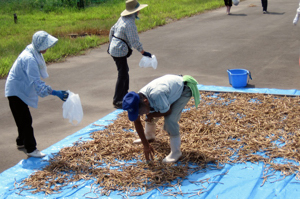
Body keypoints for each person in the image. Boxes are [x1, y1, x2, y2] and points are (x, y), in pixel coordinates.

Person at [5, 31, 69, 158]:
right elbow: (38, 85)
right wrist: (55, 93)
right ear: (40, 45)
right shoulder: (30, 59)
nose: (47, 48)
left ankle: (21, 141)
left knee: (21, 118)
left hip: (18, 88)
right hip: (16, 90)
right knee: (25, 120)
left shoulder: (34, 51)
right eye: (46, 45)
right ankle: (31, 148)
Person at [122, 74, 200, 163]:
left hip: (184, 89)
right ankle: (149, 136)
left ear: (146, 101)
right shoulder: (137, 99)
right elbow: (137, 122)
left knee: (170, 120)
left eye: (139, 112)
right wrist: (145, 144)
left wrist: (150, 115)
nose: (140, 114)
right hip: (168, 91)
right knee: (149, 111)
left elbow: (167, 112)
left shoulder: (156, 94)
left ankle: (176, 152)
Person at [108, 0, 152, 109]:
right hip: (119, 50)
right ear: (134, 12)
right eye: (138, 11)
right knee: (122, 74)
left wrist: (110, 44)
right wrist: (143, 52)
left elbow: (111, 30)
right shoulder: (130, 24)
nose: (139, 12)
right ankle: (117, 100)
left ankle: (124, 95)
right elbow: (134, 41)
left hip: (115, 47)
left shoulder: (122, 18)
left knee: (124, 72)